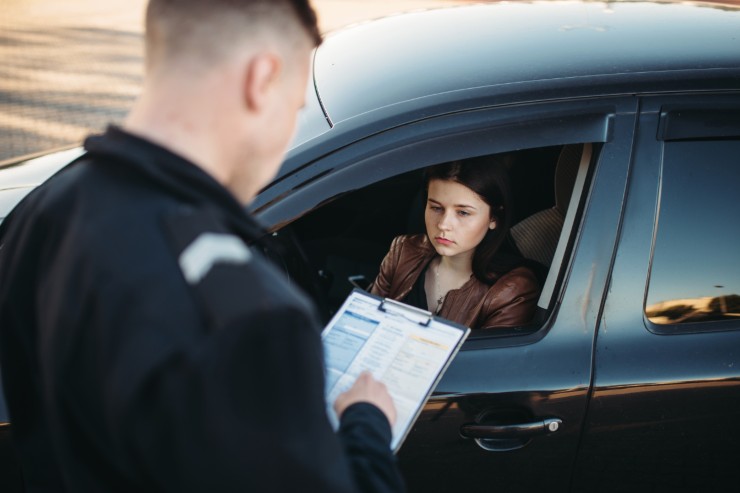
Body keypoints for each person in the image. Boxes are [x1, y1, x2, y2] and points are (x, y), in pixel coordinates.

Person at [0, 1, 405, 492]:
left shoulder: (41, 212)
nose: (284, 138)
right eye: (295, 109)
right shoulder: (253, 318)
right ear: (261, 78)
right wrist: (366, 424)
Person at [369, 158, 539, 330]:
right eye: (436, 208)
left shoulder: (511, 290)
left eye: (463, 213)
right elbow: (364, 324)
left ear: (494, 218)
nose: (443, 224)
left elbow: (486, 357)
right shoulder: (404, 251)